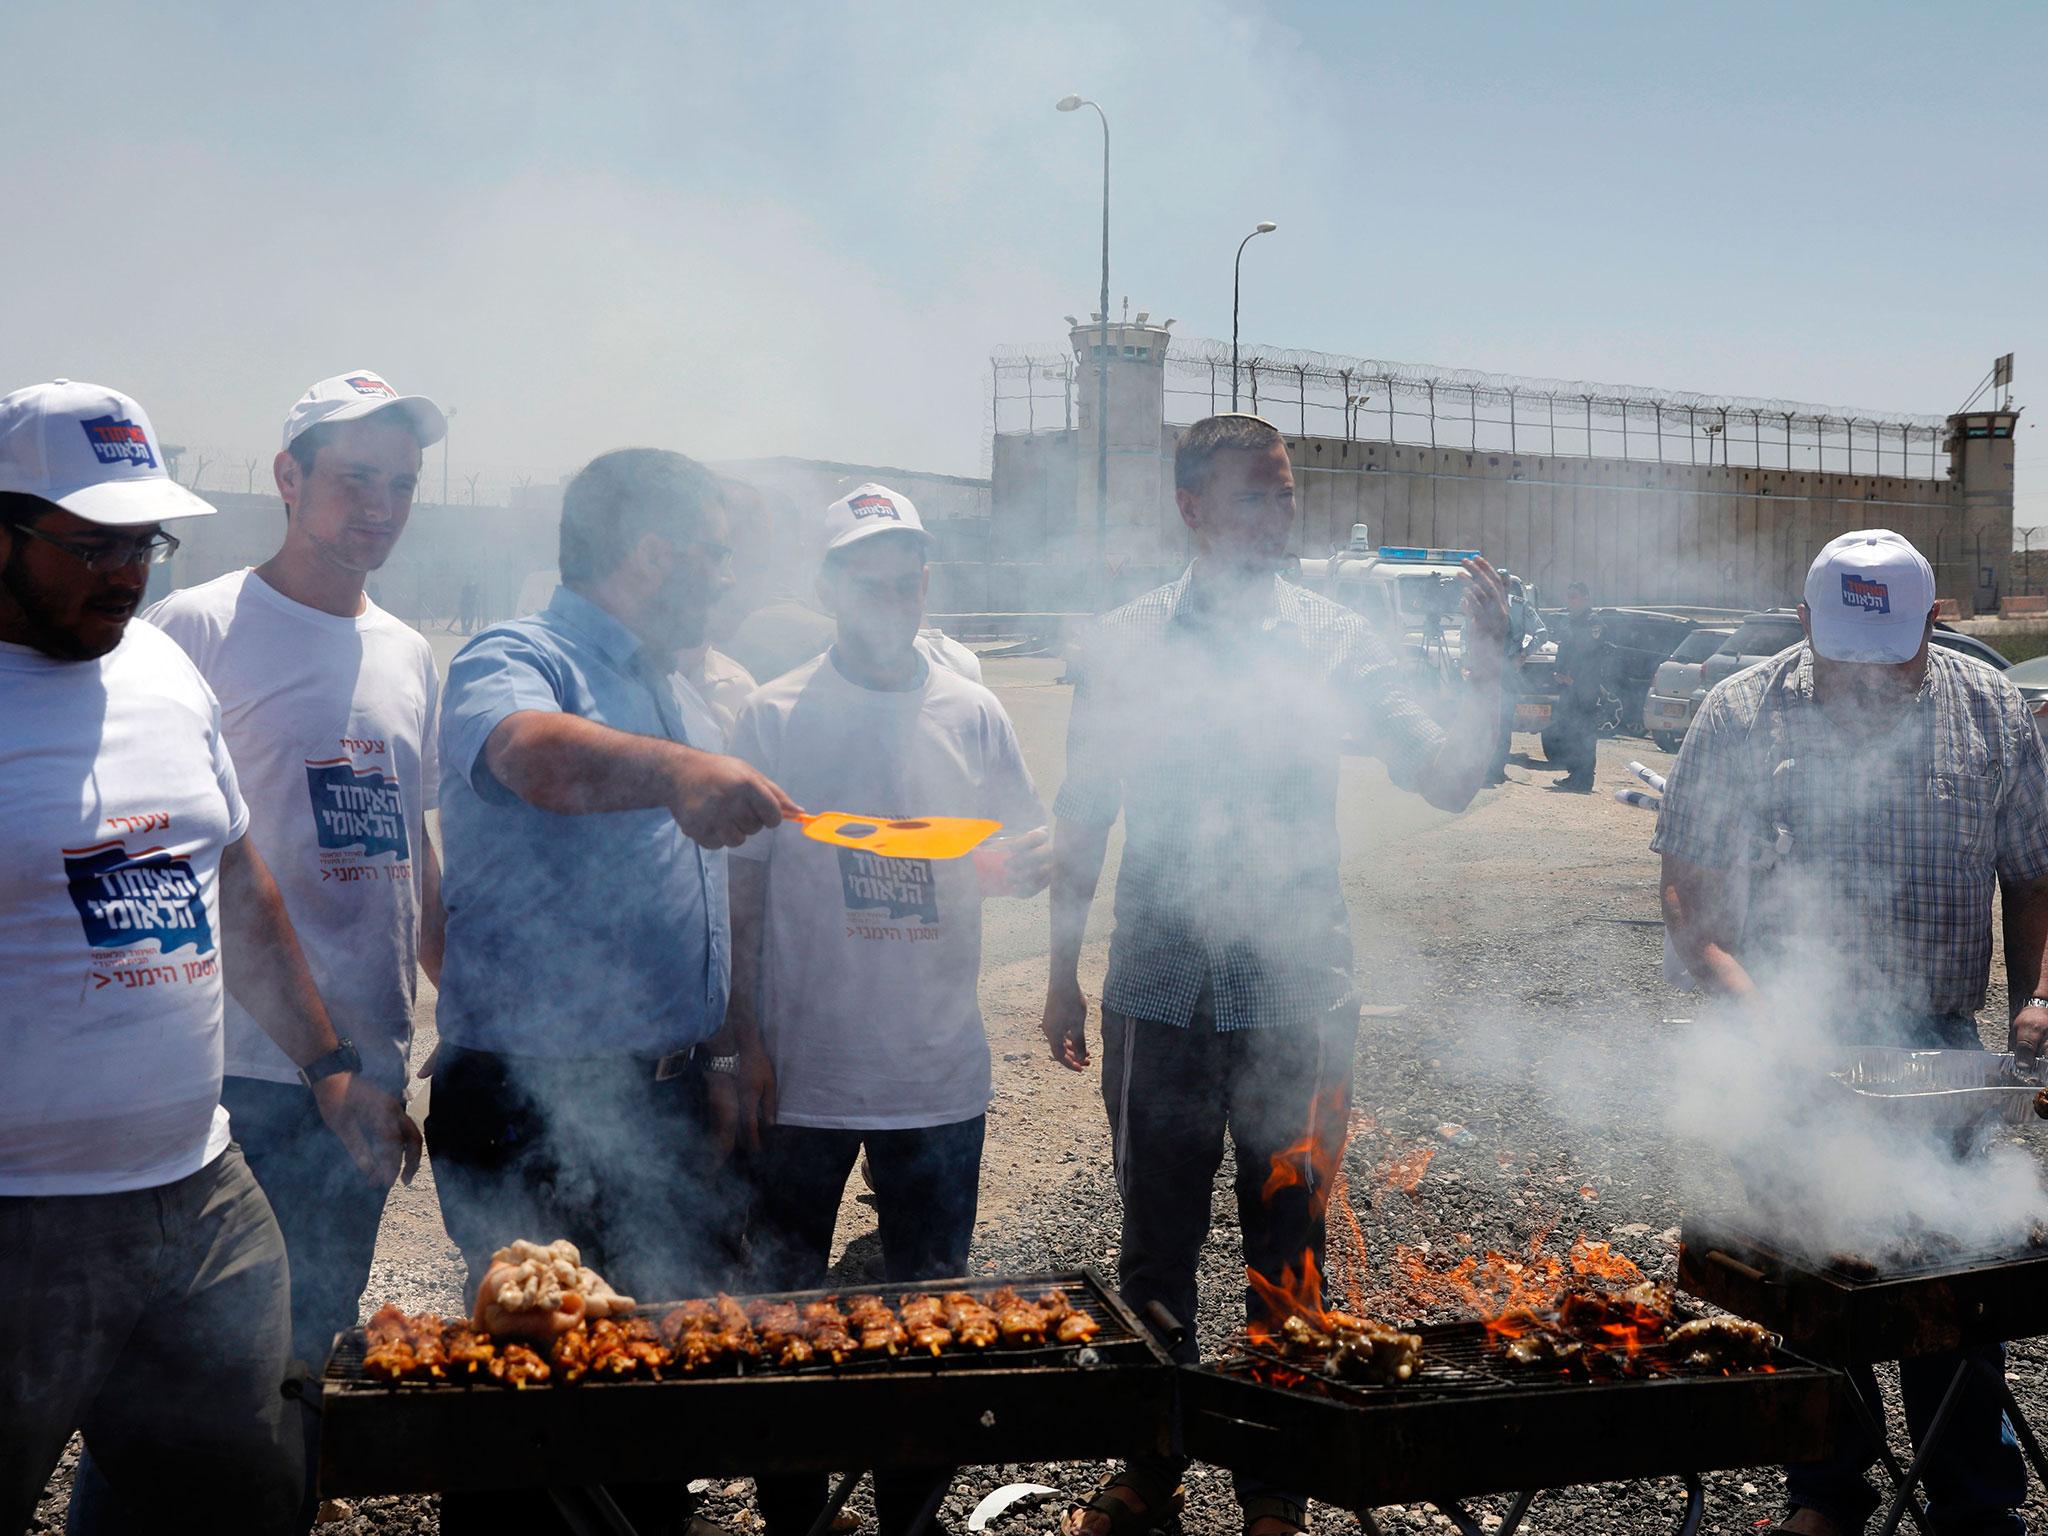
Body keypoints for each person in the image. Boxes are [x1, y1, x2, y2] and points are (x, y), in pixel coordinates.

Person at [1041, 414, 1509, 1536]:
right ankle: (1149, 1470)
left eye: (1285, 497)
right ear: (1191, 510)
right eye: (1254, 498)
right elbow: (1082, 811)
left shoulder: (1330, 641)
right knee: (1152, 1246)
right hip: (1154, 988)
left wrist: (1488, 666)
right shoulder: (1122, 643)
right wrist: (1058, 971)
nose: (1276, 519)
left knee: (1286, 1250)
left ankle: (1274, 1490)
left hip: (1296, 996)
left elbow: (1444, 779)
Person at [0, 380, 419, 1536]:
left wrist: (330, 1060)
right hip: (22, 1218)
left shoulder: (156, 669)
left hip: (201, 1191)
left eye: (143, 541)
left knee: (244, 1497)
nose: (125, 572)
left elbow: (233, 877)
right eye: (88, 544)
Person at [1658, 528, 2048, 1536]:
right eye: (1844, 663)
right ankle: (1823, 1494)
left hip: (1939, 1048)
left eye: (1894, 660)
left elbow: (2032, 874)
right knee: (1815, 1287)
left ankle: (1971, 1506)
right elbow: (1690, 910)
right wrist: (1767, 1026)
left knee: (1952, 1292)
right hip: (1793, 1041)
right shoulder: (1737, 713)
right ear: (1801, 624)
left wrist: (2036, 994)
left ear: (1934, 620)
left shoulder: (1993, 709)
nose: (1867, 687)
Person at [140, 371, 448, 1526]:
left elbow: (410, 849)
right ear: (287, 480)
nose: (380, 507)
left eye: (401, 485)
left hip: (363, 1083)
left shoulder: (409, 652)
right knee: (192, 1378)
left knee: (313, 1348)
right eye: (354, 479)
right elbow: (172, 853)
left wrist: (448, 1012)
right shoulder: (197, 628)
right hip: (238, 1077)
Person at [727, 481, 1049, 1536]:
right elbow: (742, 888)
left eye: (906, 579)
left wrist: (1041, 886)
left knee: (930, 1331)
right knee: (783, 1328)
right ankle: (796, 1521)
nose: (889, 597)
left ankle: (907, 1520)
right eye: (866, 579)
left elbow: (1027, 845)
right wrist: (746, 1042)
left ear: (924, 585)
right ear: (829, 587)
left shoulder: (974, 709)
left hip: (936, 1076)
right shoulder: (773, 713)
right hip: (805, 1077)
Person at [425, 447, 798, 1303]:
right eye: (716, 552)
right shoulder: (516, 654)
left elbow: (700, 892)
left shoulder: (669, 683)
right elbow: (526, 754)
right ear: (653, 553)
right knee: (546, 1386)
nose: (728, 578)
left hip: (666, 1099)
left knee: (672, 1361)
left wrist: (723, 1054)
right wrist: (678, 772)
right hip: (535, 1108)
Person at [1543, 581, 1604, 791]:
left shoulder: (1593, 622)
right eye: (1568, 596)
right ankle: (1574, 774)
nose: (1570, 601)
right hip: (1567, 687)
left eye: (1574, 596)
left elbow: (1592, 658)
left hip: (1584, 688)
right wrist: (1558, 673)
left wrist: (1575, 679)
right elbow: (1566, 651)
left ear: (1586, 598)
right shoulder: (1570, 622)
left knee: (1584, 733)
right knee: (1569, 731)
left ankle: (1584, 778)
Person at [1486, 572, 1546, 784]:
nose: (1501, 587)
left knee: (1503, 722)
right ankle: (1479, 766)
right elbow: (1467, 633)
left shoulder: (1520, 606)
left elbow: (1541, 632)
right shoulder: (1483, 604)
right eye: (1496, 583)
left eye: (1504, 584)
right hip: (1485, 671)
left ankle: (1496, 770)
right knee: (1483, 720)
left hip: (1508, 672)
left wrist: (1523, 655)